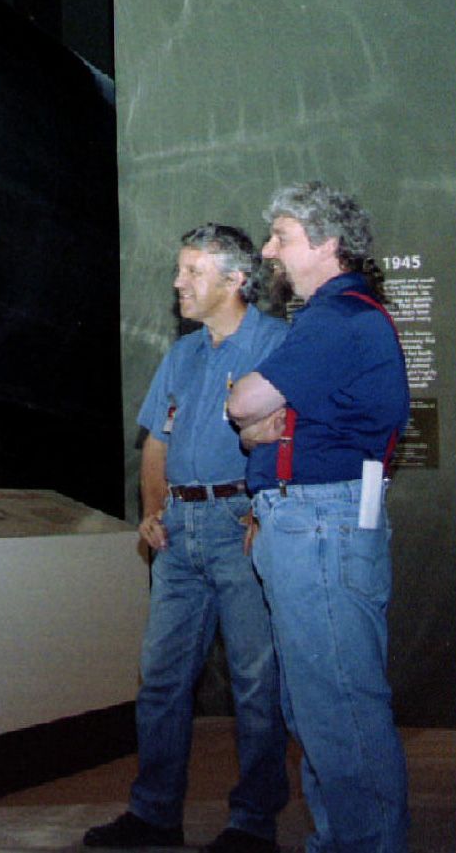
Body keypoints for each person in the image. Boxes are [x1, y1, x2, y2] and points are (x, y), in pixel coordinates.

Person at [84, 225, 290, 852]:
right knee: (162, 680)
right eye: (179, 270)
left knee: (257, 684)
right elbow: (157, 440)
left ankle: (253, 824)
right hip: (178, 535)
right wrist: (152, 512)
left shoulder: (278, 344)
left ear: (235, 280)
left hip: (240, 530)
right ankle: (154, 816)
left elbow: (289, 436)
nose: (178, 282)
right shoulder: (183, 354)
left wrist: (266, 510)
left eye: (192, 271)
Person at [228, 183, 410, 853]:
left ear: (326, 243)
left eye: (280, 235)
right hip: (310, 522)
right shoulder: (332, 317)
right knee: (315, 704)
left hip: (320, 523)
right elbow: (250, 420)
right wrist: (257, 427)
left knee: (337, 705)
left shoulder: (339, 317)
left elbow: (245, 400)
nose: (268, 249)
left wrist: (256, 420)